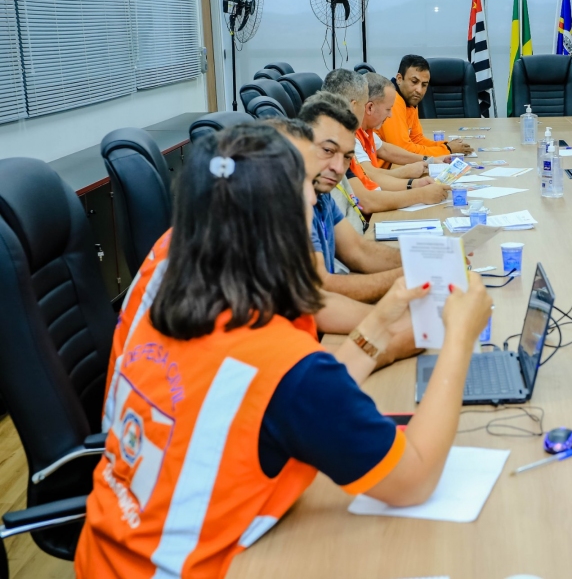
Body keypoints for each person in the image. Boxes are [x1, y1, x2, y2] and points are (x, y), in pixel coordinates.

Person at [75, 123, 493, 578]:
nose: (315, 200)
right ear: (278, 226)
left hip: (106, 555)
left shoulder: (170, 296)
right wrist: (459, 338)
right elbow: (414, 478)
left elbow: (280, 398)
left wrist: (379, 319)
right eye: (304, 193)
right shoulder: (283, 365)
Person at [271, 100, 406, 303]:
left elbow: (358, 251)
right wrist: (413, 276)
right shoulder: (286, 203)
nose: (338, 168)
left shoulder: (322, 194)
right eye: (328, 150)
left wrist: (420, 260)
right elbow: (320, 289)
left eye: (347, 158)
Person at [312, 72, 450, 214]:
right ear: (354, 107)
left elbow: (371, 177)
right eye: (365, 103)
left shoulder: (340, 140)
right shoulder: (336, 148)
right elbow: (366, 200)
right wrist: (420, 193)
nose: (367, 110)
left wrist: (420, 173)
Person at [378, 55, 473, 156]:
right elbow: (403, 151)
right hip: (380, 168)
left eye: (424, 85)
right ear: (399, 79)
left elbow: (417, 140)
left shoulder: (409, 98)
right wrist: (447, 149)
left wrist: (445, 145)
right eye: (414, 82)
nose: (419, 90)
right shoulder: (392, 101)